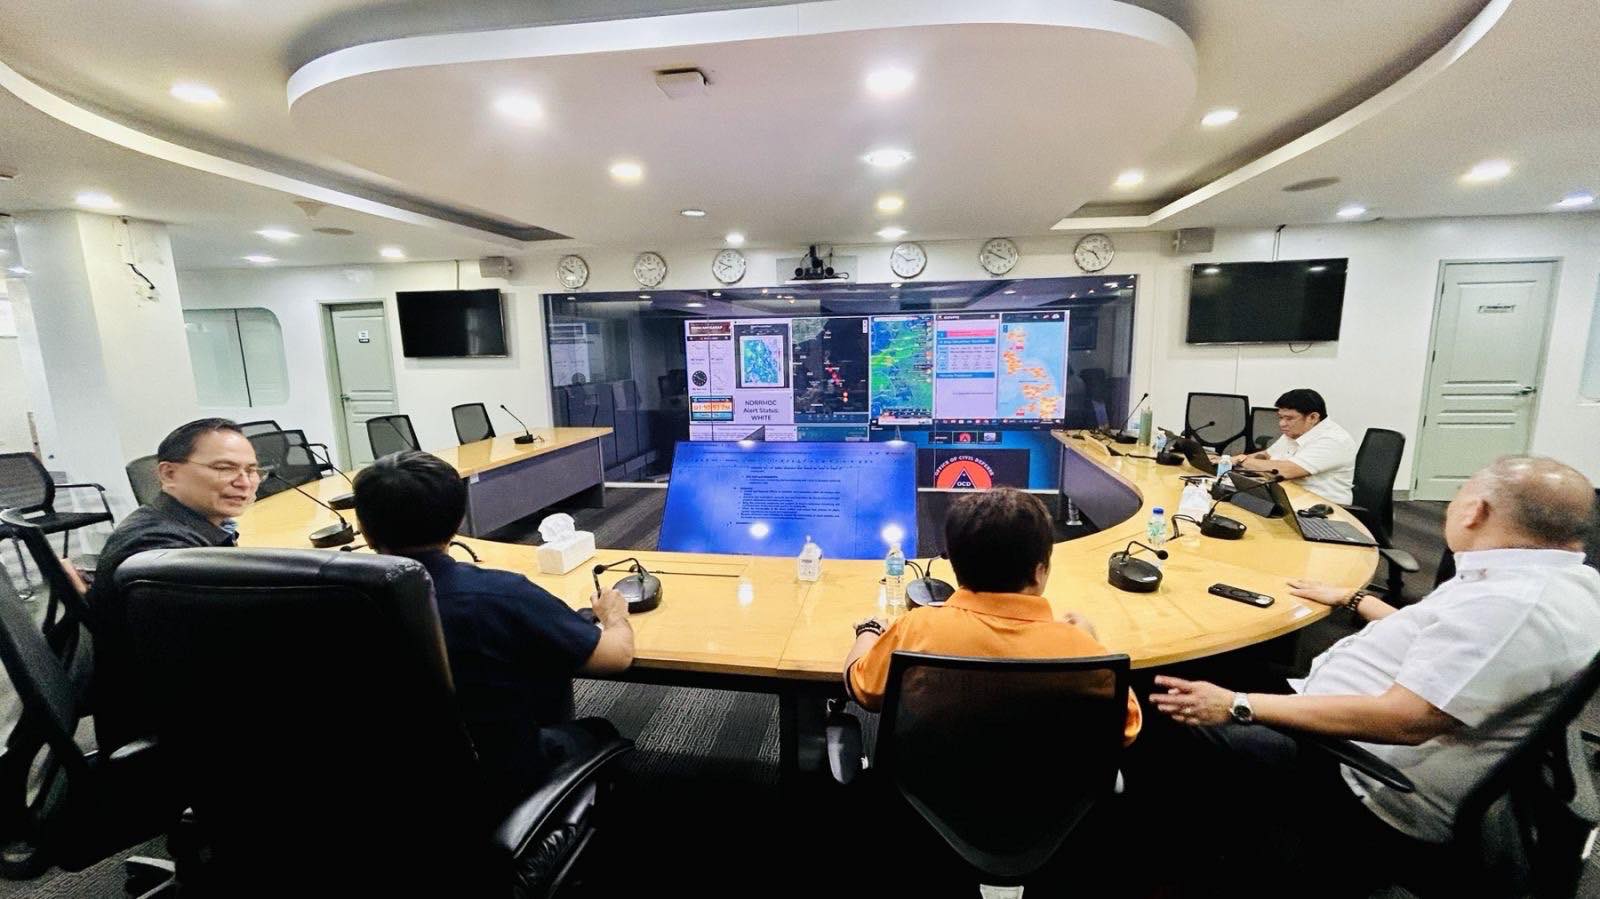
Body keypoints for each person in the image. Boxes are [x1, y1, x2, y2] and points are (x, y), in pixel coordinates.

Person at [1145, 456, 1600, 894]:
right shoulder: (1547, 580)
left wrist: (1237, 705)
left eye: (1460, 492)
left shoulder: (1512, 607)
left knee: (1159, 709)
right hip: (1346, 725)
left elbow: (1406, 721)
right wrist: (1354, 599)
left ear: (1475, 511)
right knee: (1213, 667)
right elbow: (1442, 642)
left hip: (1358, 774)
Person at [351, 450, 634, 804]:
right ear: (459, 522)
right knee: (599, 731)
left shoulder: (339, 601)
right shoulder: (499, 595)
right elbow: (616, 656)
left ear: (365, 530)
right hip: (498, 778)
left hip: (391, 779)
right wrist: (614, 615)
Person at [844, 487, 1141, 745]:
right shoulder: (1080, 651)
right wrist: (1092, 642)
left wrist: (869, 629)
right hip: (1049, 791)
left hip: (934, 789)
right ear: (1039, 571)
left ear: (956, 565)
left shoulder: (917, 628)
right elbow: (1126, 728)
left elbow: (863, 688)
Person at [88, 417, 260, 749]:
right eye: (224, 468)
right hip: (174, 730)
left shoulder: (176, 525)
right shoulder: (162, 552)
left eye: (252, 470)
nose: (244, 482)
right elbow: (214, 659)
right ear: (168, 474)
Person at [1231, 388, 1357, 505]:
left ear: (1313, 417)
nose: (1282, 424)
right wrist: (1227, 461)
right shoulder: (1296, 431)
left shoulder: (1333, 440)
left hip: (1322, 509)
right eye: (1280, 417)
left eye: (1289, 418)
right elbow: (1267, 455)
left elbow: (1286, 471)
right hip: (1290, 498)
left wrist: (1242, 460)